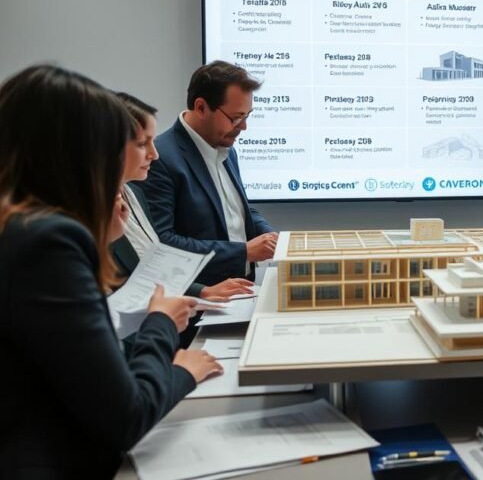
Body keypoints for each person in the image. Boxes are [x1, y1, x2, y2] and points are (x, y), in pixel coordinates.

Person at [0, 65, 222, 477]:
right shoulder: (48, 242)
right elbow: (125, 415)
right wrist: (172, 351)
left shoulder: (20, 229)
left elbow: (89, 363)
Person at [142, 61, 277, 284]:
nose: (243, 127)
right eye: (235, 118)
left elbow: (236, 210)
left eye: (247, 116)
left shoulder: (226, 149)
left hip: (241, 291)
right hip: (196, 302)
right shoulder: (161, 158)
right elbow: (162, 242)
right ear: (201, 107)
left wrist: (268, 236)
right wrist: (243, 252)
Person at [113, 92, 254, 302]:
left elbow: (151, 263)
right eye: (143, 144)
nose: (154, 153)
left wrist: (201, 291)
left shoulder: (133, 195)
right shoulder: (86, 215)